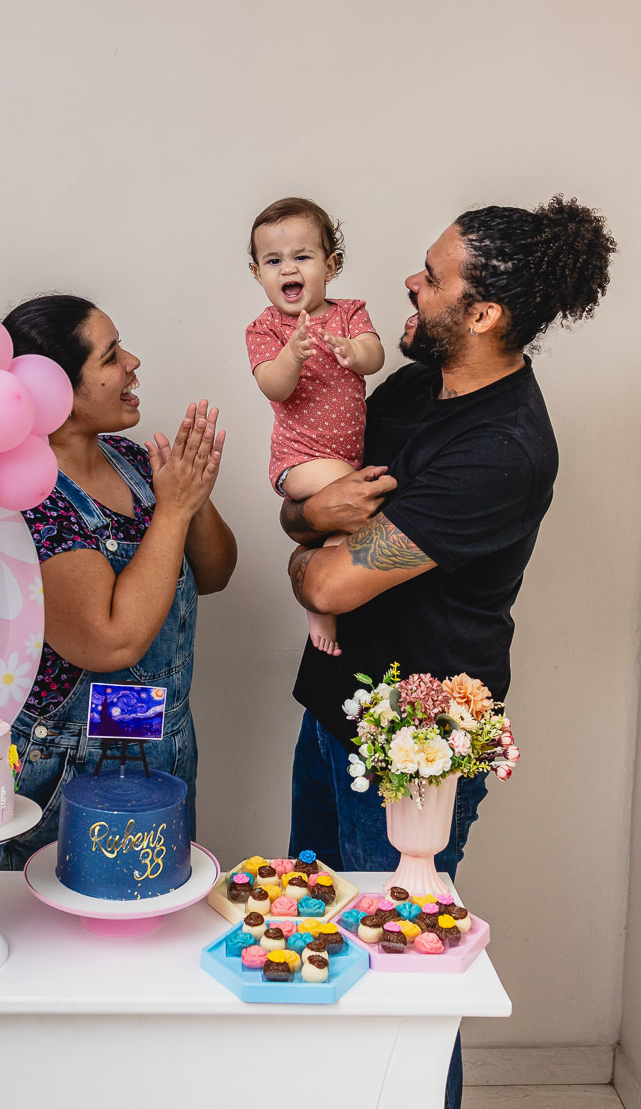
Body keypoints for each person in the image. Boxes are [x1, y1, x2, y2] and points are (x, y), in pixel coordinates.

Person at [281, 195, 614, 1109]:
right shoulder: (408, 388)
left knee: (403, 971)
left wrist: (314, 549)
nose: (408, 281)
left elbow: (327, 584)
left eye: (431, 276)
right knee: (314, 938)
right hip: (333, 709)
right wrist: (314, 522)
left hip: (411, 749)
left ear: (482, 314)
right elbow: (303, 507)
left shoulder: (502, 448)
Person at [0, 294, 237, 870]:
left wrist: (192, 497)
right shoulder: (32, 497)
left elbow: (215, 574)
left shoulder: (132, 460)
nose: (134, 363)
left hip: (160, 743)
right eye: (112, 355)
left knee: (145, 930)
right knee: (53, 943)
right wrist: (170, 513)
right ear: (56, 391)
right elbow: (108, 642)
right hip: (69, 762)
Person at [245, 197, 384, 656]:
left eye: (302, 256)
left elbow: (374, 355)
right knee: (363, 494)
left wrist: (353, 351)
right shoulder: (265, 330)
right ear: (257, 272)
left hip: (345, 457)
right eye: (273, 260)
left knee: (349, 523)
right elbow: (273, 386)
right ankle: (318, 604)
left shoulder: (349, 313)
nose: (289, 269)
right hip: (299, 461)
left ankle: (325, 588)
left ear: (332, 263)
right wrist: (293, 356)